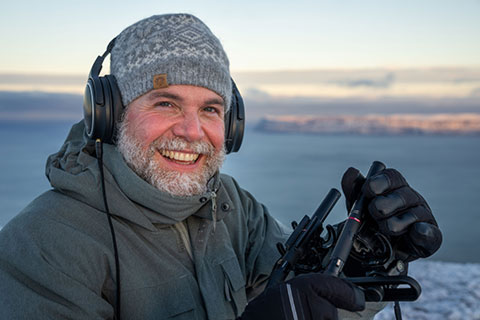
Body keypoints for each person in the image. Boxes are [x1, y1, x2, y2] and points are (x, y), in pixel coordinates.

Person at [0, 14, 442, 320]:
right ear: (109, 114)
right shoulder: (41, 247)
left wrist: (369, 255)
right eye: (166, 103)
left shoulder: (230, 206)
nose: (192, 132)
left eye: (211, 109)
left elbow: (311, 299)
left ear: (231, 124)